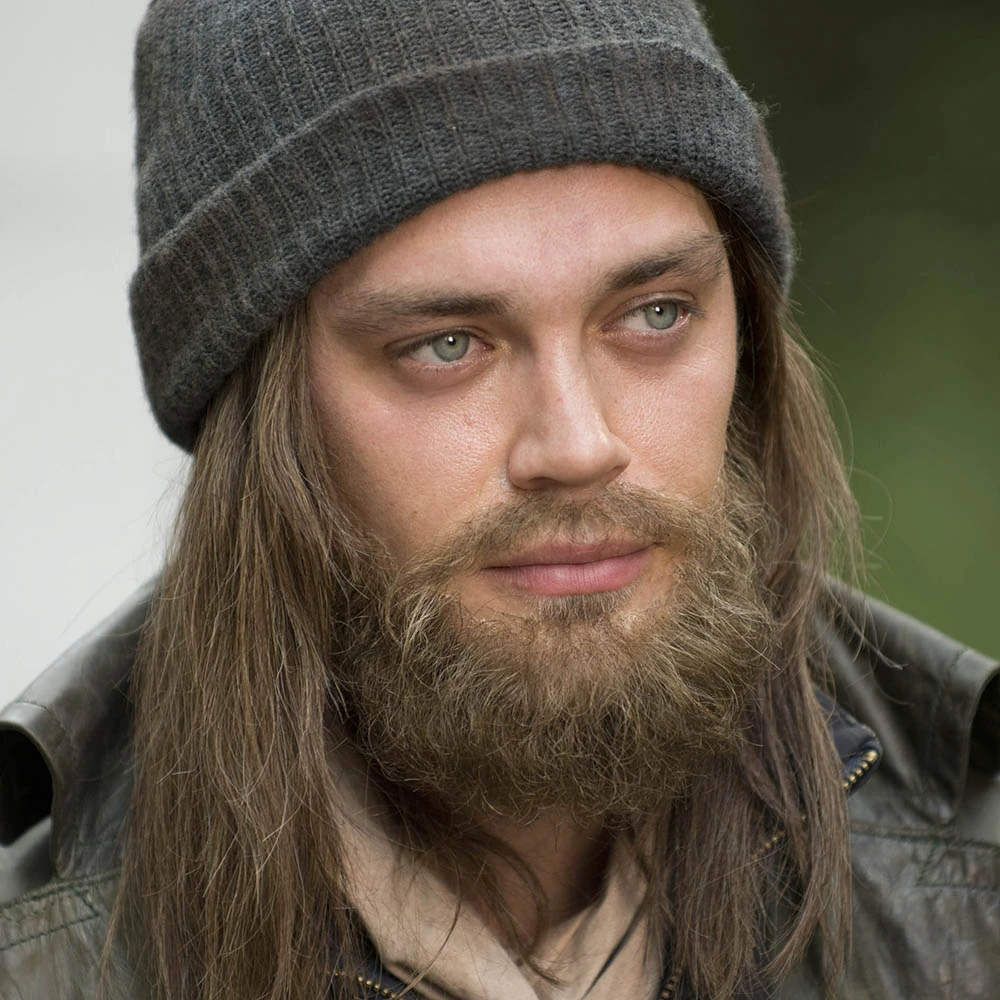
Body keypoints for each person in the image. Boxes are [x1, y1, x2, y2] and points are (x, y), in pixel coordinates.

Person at [1, 0, 997, 997]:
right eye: (445, 346)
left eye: (655, 314)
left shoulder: (971, 891)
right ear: (261, 420)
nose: (578, 445)